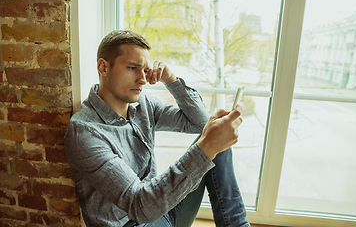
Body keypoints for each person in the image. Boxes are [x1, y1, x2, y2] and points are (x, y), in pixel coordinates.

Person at [64, 30, 250, 227]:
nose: (143, 79)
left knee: (218, 137)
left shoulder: (143, 105)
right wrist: (208, 146)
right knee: (211, 142)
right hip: (135, 221)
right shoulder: (84, 133)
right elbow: (140, 206)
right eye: (133, 68)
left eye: (145, 70)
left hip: (163, 208)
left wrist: (171, 79)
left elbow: (200, 123)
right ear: (103, 67)